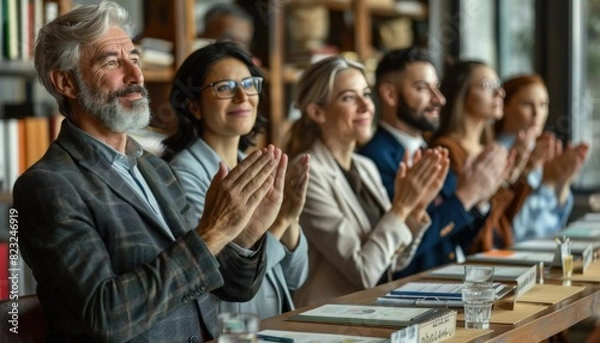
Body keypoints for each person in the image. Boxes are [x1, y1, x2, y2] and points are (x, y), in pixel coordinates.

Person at [14, 2, 283, 341]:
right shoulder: (48, 186)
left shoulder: (156, 169)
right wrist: (213, 233)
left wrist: (243, 237)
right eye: (112, 62)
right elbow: (106, 315)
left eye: (136, 59)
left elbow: (233, 288)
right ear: (66, 83)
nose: (136, 76)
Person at [285, 56, 450, 307]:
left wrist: (415, 208)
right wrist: (400, 208)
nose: (366, 106)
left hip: (370, 313)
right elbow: (364, 272)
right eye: (349, 98)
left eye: (366, 94)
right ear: (317, 112)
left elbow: (394, 260)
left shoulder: (365, 166)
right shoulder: (307, 173)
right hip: (327, 321)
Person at [163, 41, 310, 319]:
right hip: (229, 327)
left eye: (249, 83)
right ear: (194, 106)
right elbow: (217, 275)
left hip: (271, 324)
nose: (243, 97)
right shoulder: (183, 173)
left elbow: (297, 277)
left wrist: (291, 218)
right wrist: (278, 223)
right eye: (225, 88)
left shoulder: (253, 165)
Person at [358, 48, 510, 278]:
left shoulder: (430, 151)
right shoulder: (373, 159)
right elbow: (402, 250)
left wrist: (480, 199)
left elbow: (453, 235)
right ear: (390, 95)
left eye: (437, 88)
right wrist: (466, 196)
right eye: (422, 88)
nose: (439, 99)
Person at [430, 60, 527, 253]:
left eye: (498, 85)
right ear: (462, 93)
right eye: (487, 85)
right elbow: (462, 223)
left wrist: (514, 176)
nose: (500, 93)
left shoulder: (487, 149)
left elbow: (503, 219)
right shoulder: (446, 150)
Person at [495, 74, 588, 241]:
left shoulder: (541, 150)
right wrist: (548, 183)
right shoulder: (497, 154)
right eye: (527, 104)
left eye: (543, 105)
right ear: (505, 106)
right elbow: (518, 232)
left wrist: (562, 184)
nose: (537, 113)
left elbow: (554, 226)